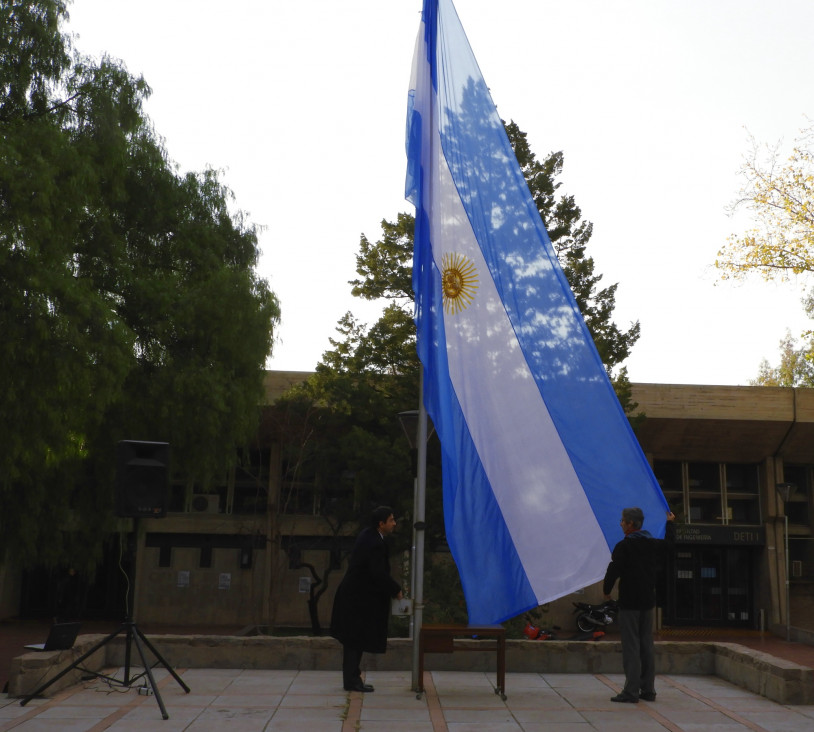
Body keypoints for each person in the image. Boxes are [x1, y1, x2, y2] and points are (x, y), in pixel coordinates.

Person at [602, 507, 675, 704]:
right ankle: (648, 690)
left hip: (629, 603)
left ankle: (631, 691)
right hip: (647, 602)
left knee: (631, 646)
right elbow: (669, 544)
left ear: (630, 524)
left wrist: (606, 589)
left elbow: (614, 569)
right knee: (646, 645)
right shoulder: (652, 544)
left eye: (622, 520)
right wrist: (670, 524)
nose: (620, 523)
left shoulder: (624, 546)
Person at [330, 506, 403, 693]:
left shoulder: (369, 536)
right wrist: (395, 589)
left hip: (356, 597)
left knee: (355, 639)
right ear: (381, 524)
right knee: (354, 640)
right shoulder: (375, 543)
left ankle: (353, 678)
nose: (394, 524)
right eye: (391, 520)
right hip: (357, 599)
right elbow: (377, 572)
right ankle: (352, 681)